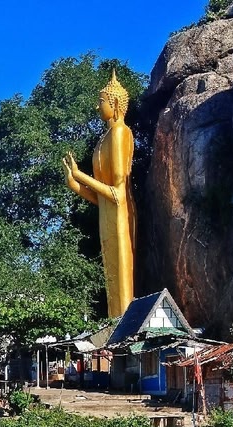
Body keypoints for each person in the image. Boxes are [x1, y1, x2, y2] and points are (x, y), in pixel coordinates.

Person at [62, 69, 137, 318]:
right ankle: (115, 331)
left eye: (101, 101)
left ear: (114, 103)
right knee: (109, 284)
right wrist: (74, 183)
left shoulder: (120, 133)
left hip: (121, 218)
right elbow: (101, 200)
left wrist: (80, 175)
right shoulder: (102, 140)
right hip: (106, 218)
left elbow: (117, 194)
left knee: (122, 289)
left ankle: (125, 331)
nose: (98, 106)